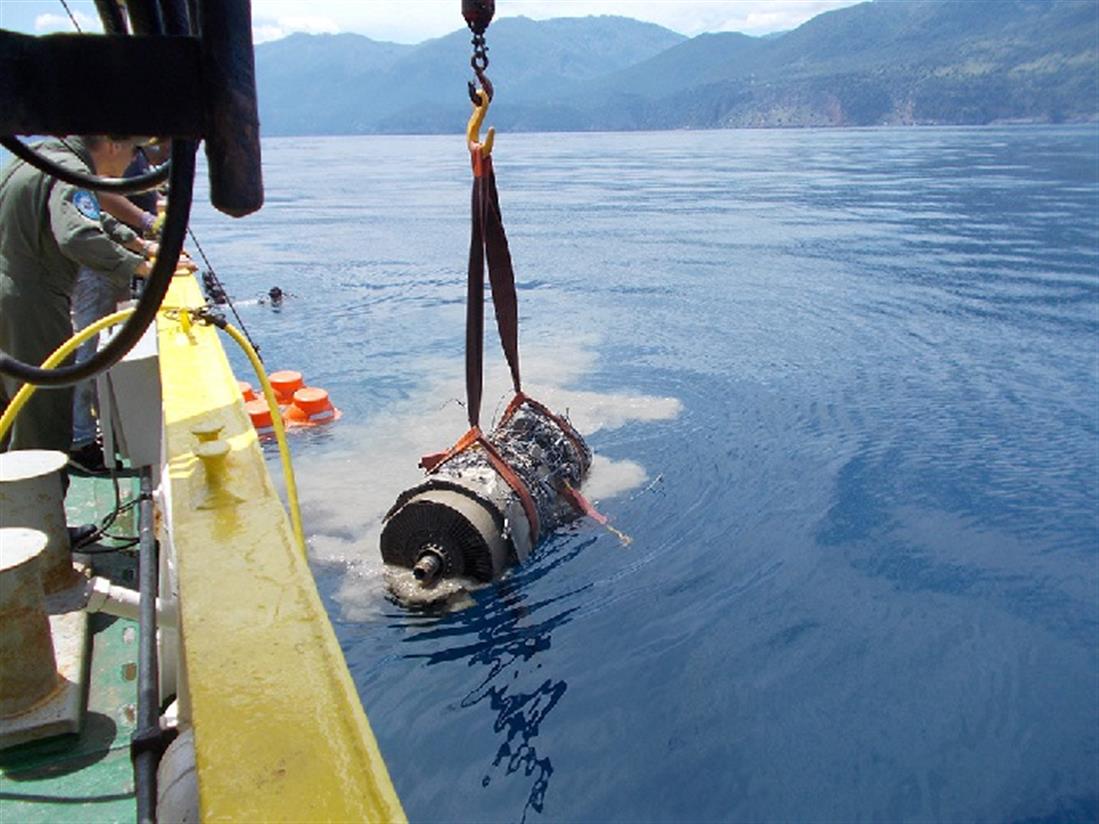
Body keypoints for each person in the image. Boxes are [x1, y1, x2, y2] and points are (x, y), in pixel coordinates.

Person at [0, 135, 152, 459]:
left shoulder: (41, 155)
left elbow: (88, 213)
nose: (135, 160)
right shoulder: (70, 170)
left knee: (8, 412)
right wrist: (141, 268)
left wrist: (141, 244)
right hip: (30, 303)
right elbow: (78, 235)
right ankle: (39, 505)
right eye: (135, 149)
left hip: (7, 293)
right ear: (113, 144)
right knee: (41, 420)